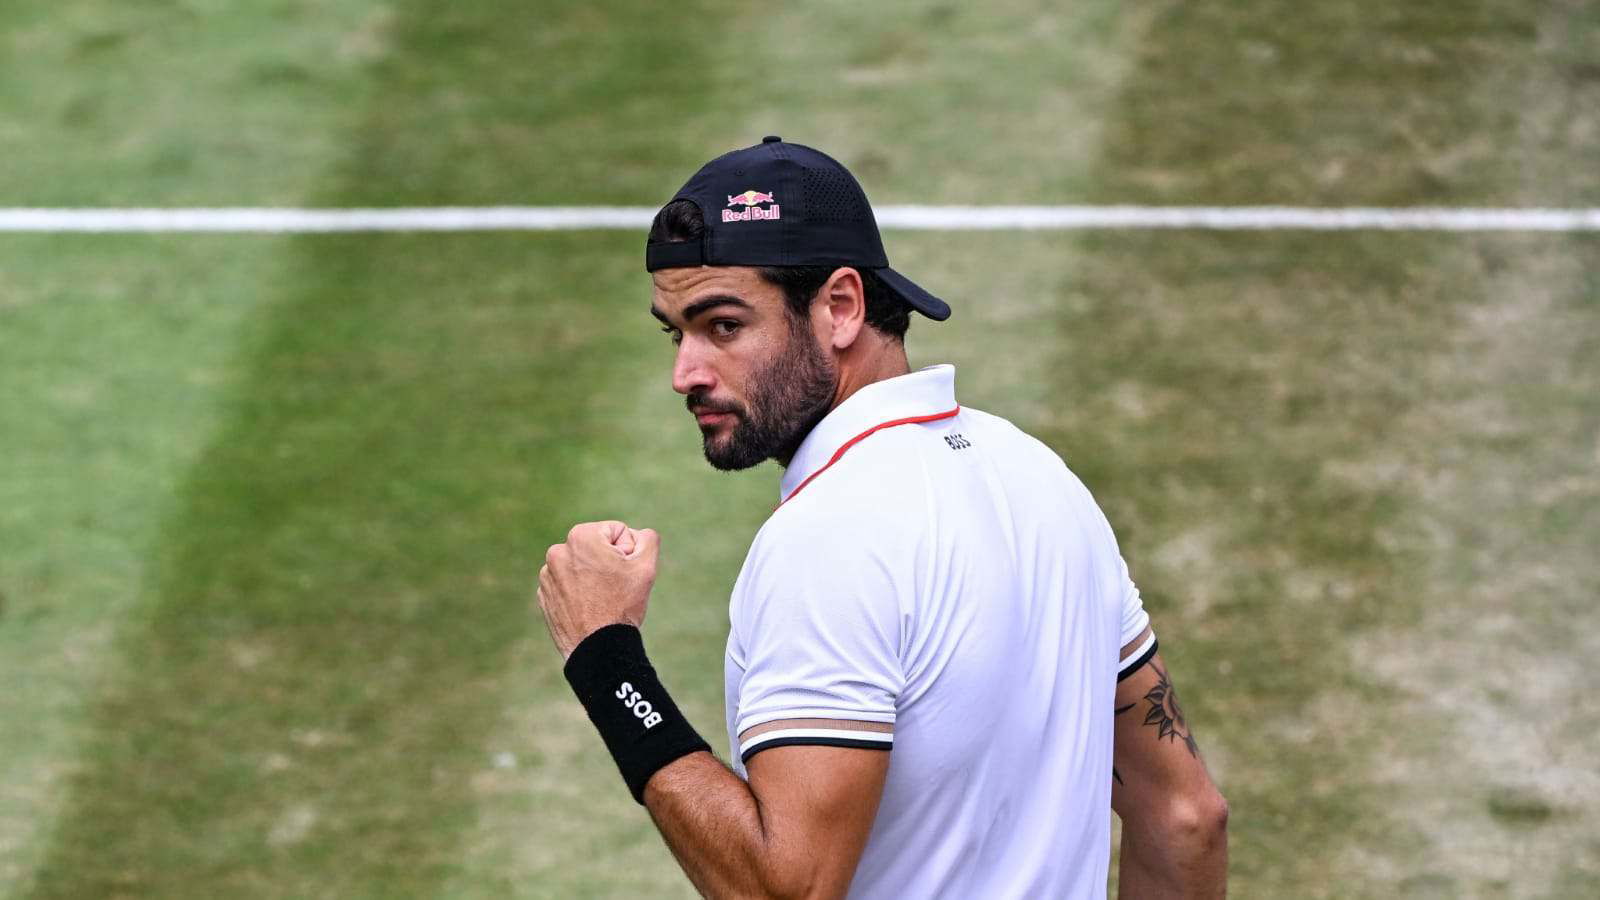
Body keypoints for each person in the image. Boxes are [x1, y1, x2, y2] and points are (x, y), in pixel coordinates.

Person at [536, 137, 1228, 898]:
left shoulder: (828, 539)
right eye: (677, 332)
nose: (685, 374)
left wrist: (607, 660)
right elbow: (1184, 816)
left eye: (722, 326)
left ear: (839, 306)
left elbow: (788, 888)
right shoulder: (1039, 475)